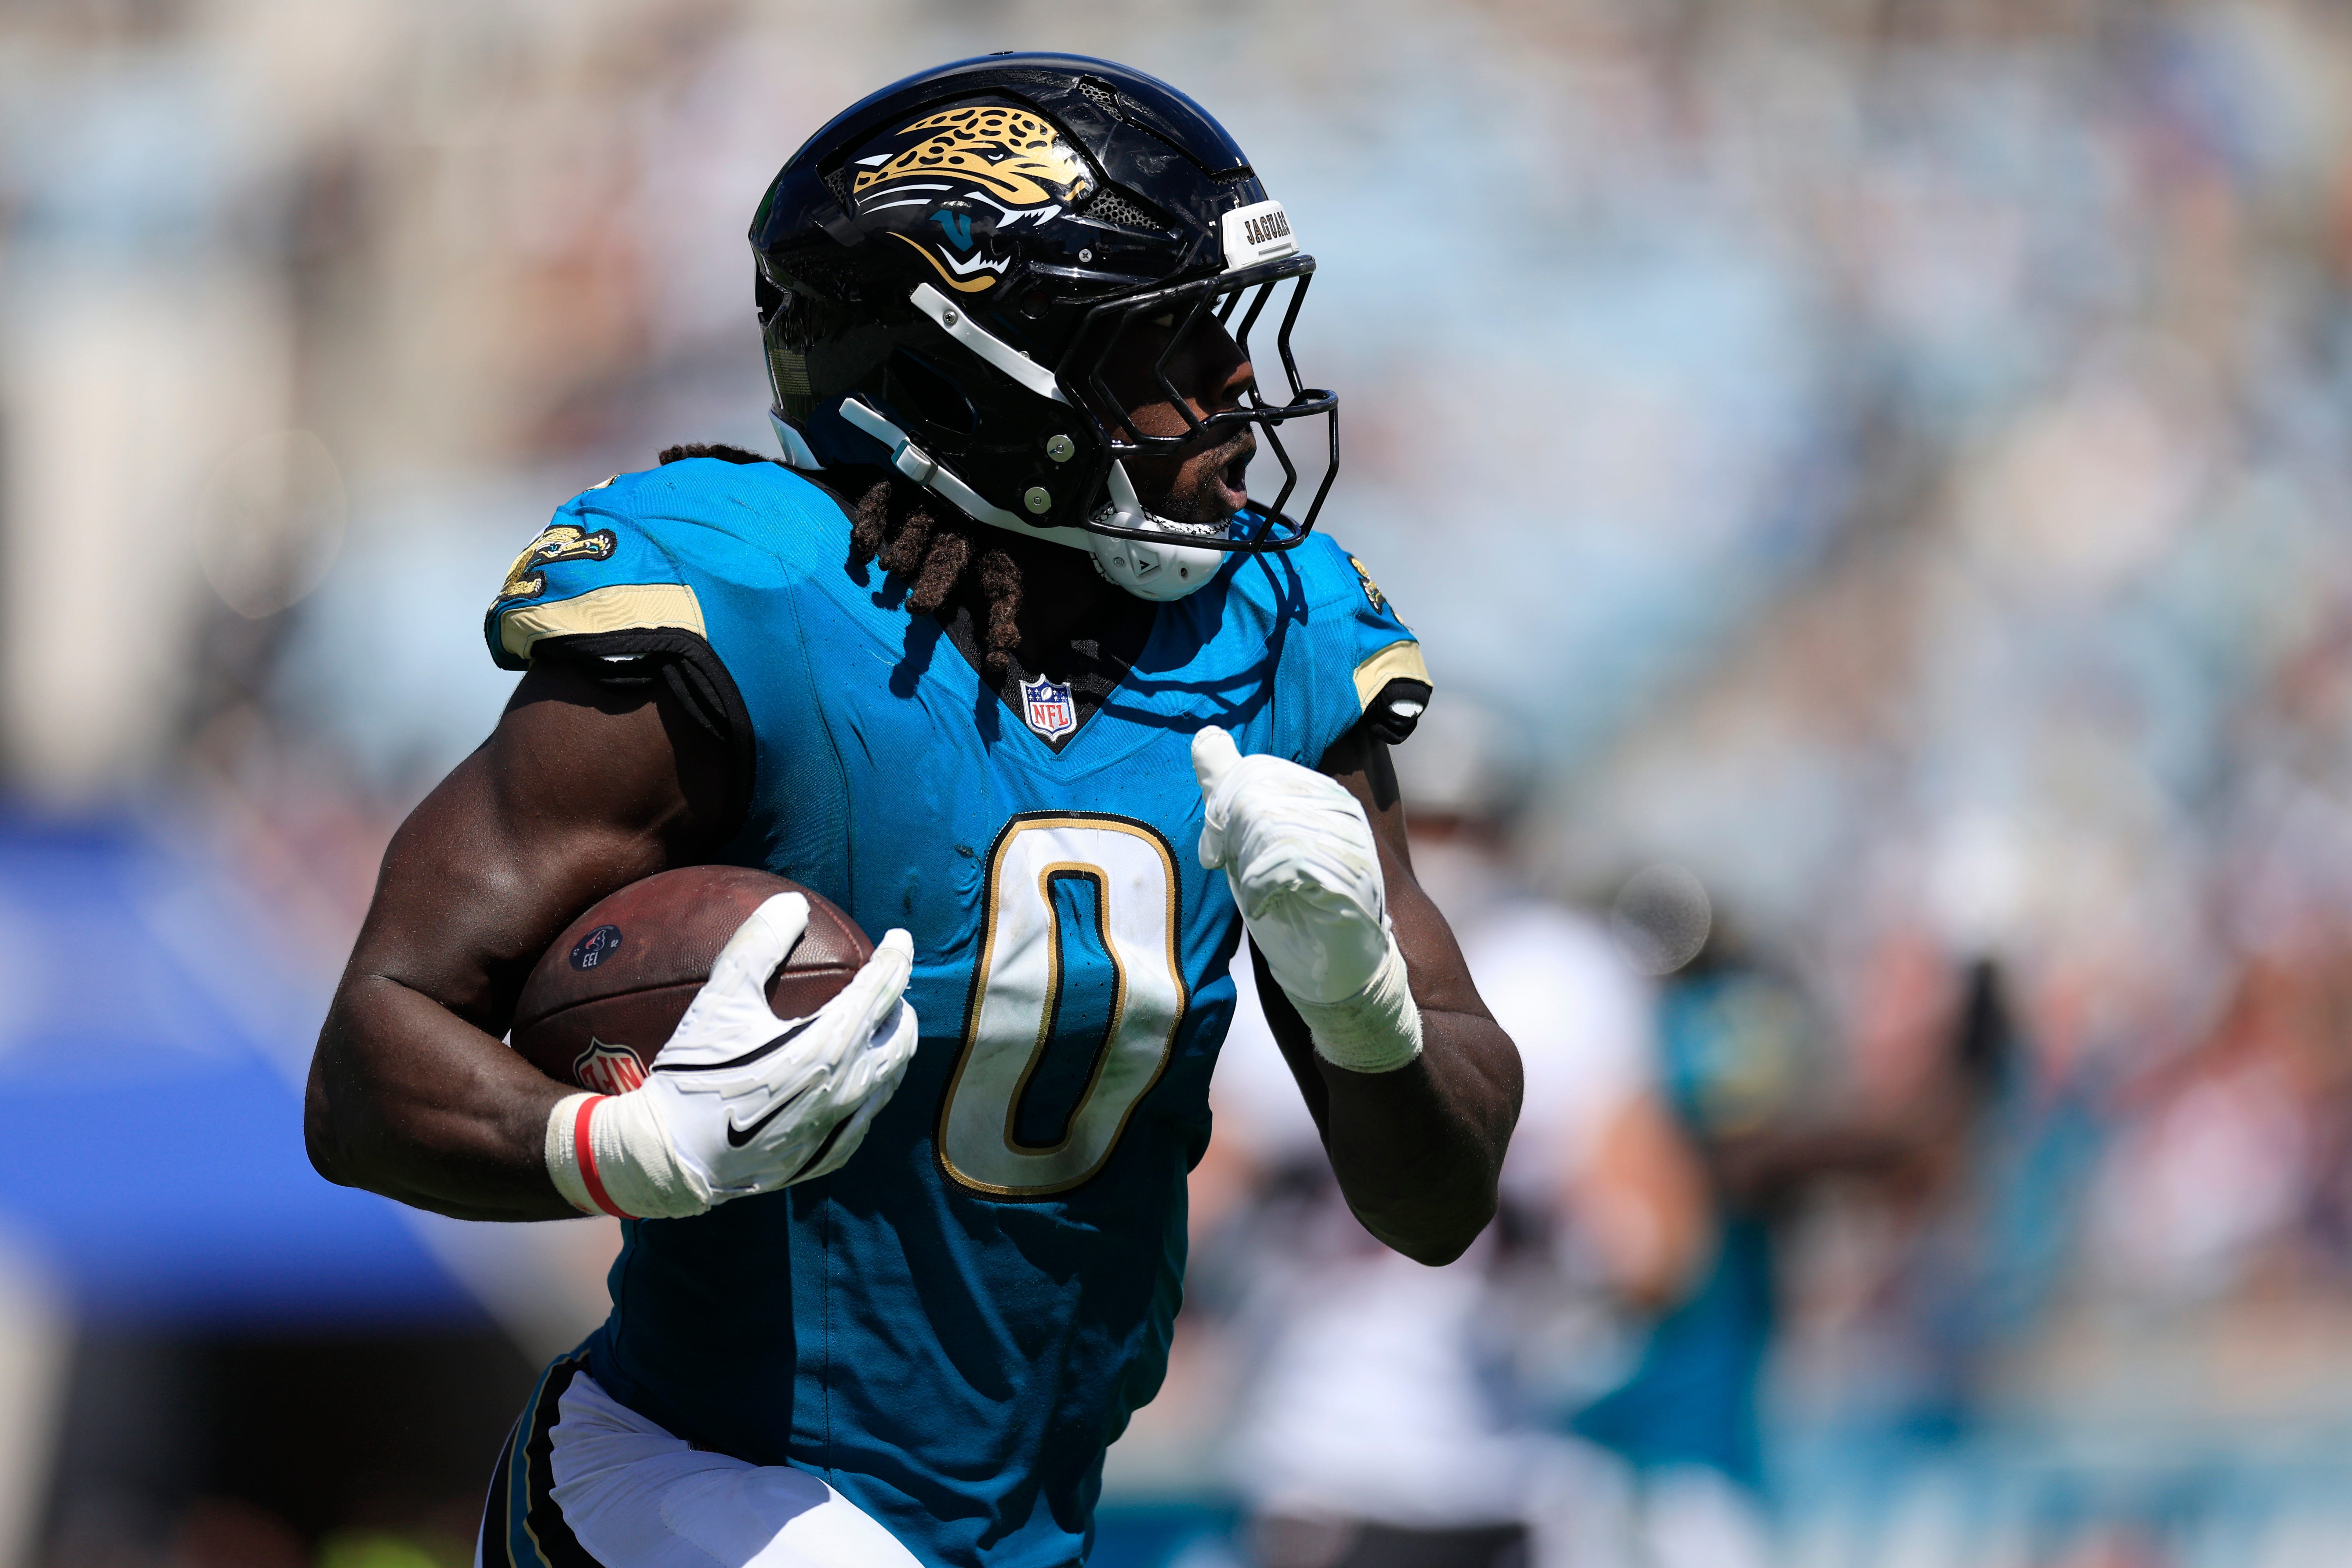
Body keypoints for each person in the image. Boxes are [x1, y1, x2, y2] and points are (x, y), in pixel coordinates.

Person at [301, 53, 1521, 1568]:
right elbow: (369, 1064)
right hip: (699, 1483)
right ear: (972, 374)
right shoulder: (758, 599)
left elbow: (1442, 1199)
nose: (1238, 396)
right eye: (1168, 347)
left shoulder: (1275, 635)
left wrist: (1359, 1009)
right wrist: (630, 1149)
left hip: (1026, 1518)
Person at [1204, 700, 1709, 1568]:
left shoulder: (1561, 978)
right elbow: (1182, 1209)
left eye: (1461, 822)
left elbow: (1660, 1241)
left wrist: (1577, 1225)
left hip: (1504, 1460)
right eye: (1414, 816)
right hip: (1312, 1461)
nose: (1432, 843)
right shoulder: (1259, 980)